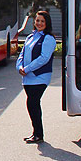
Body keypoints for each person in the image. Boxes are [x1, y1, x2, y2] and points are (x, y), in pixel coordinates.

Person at [16, 10, 56, 144]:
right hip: (27, 77)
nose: (39, 23)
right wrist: (19, 67)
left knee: (33, 102)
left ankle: (38, 134)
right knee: (32, 104)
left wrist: (27, 69)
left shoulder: (48, 38)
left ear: (47, 23)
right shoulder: (30, 37)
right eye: (37, 20)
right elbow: (22, 53)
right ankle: (36, 133)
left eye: (42, 21)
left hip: (40, 76)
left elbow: (44, 58)